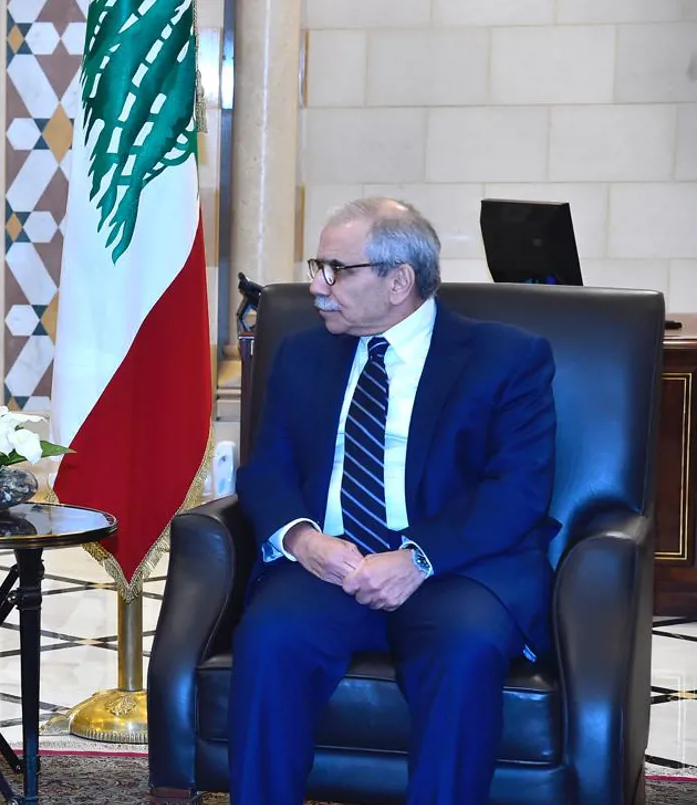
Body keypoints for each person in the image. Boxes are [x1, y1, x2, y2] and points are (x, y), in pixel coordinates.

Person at [230, 198, 559, 805]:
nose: (316, 286)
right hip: (329, 564)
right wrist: (302, 539)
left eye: (335, 269)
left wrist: (417, 559)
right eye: (317, 267)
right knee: (270, 638)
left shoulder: (507, 358)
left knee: (464, 652)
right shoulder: (303, 353)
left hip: (453, 570)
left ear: (399, 281)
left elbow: (517, 491)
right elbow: (268, 468)